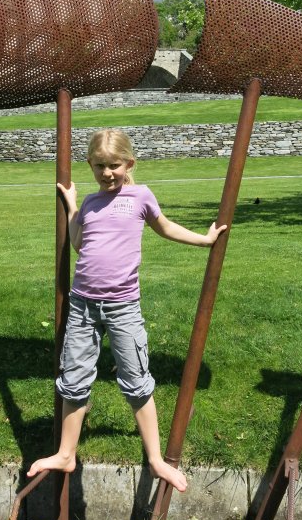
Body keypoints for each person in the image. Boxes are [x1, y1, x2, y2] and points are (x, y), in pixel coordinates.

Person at [27, 128, 227, 493]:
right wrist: (72, 205)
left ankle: (155, 458)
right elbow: (77, 242)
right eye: (100, 166)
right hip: (83, 305)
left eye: (114, 165)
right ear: (90, 165)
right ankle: (66, 453)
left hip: (122, 308)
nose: (107, 173)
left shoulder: (140, 196)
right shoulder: (89, 202)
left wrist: (205, 239)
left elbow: (164, 227)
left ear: (128, 163)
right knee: (73, 380)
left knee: (136, 380)